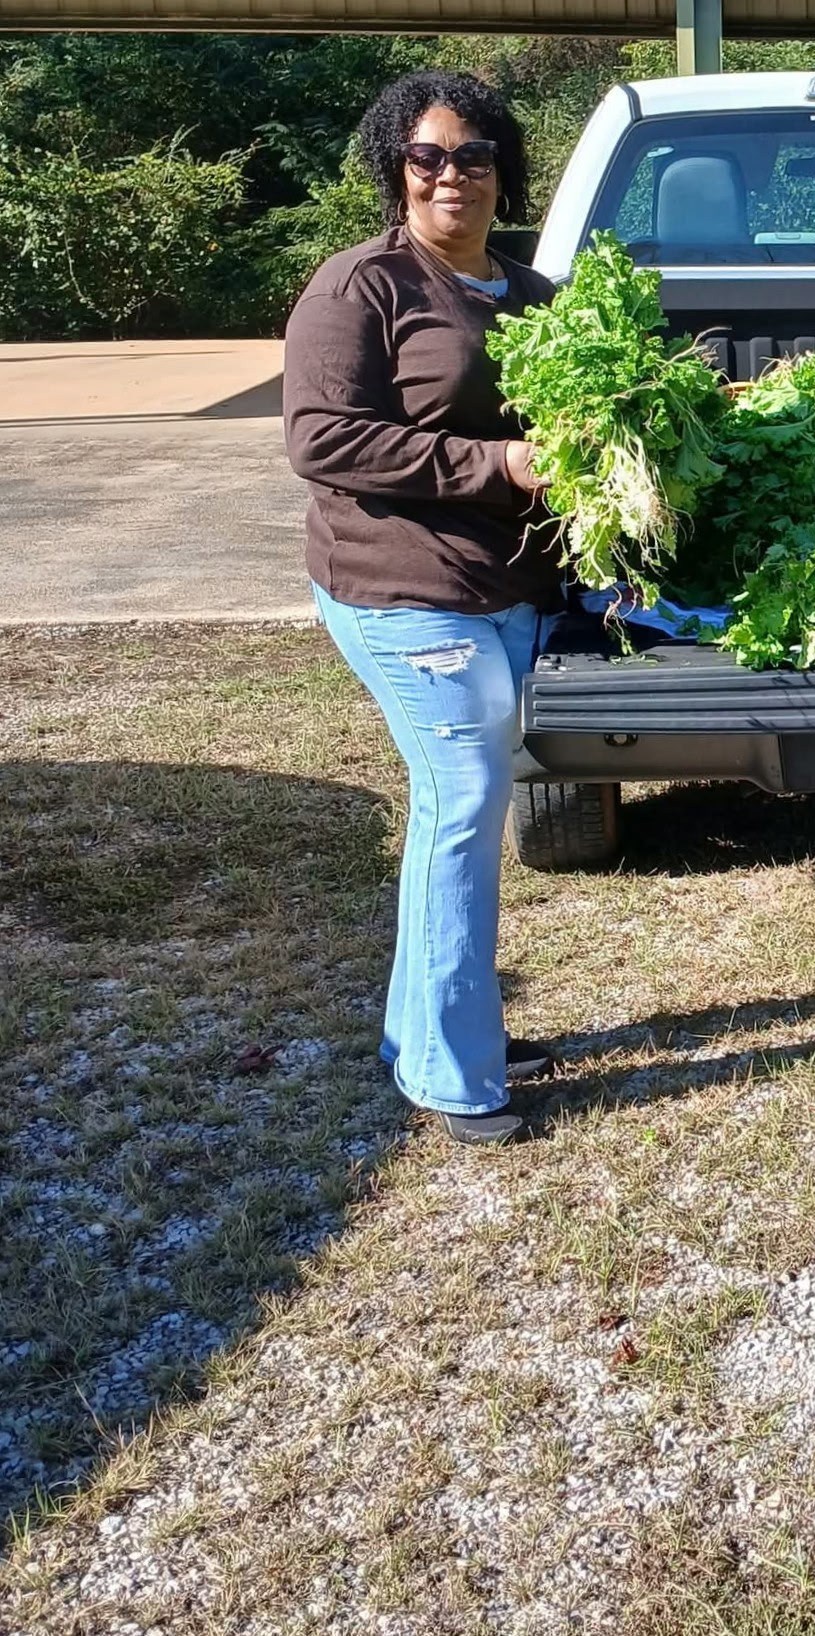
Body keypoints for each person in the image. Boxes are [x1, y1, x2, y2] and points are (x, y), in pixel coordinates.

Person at [283, 70, 564, 1143]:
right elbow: (321, 437)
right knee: (463, 797)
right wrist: (501, 462)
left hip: (506, 587)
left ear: (504, 171)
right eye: (429, 157)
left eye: (475, 156)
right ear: (395, 169)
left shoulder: (536, 297)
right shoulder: (361, 287)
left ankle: (443, 1031)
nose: (454, 175)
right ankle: (455, 1077)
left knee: (460, 802)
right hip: (399, 586)